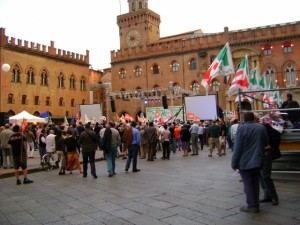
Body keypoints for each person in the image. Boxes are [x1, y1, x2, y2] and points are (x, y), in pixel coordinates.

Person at [231, 112, 269, 213]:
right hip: (258, 160)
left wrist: (234, 163)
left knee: (248, 184)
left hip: (245, 161)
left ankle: (251, 205)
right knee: (255, 183)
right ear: (253, 118)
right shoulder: (261, 127)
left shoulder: (242, 128)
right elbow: (266, 143)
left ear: (243, 119)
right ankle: (256, 203)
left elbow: (237, 147)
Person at [259, 122, 281, 206]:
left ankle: (274, 197)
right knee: (261, 176)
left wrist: (271, 146)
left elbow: (277, 134)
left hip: (265, 154)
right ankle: (267, 195)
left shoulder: (264, 126)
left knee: (265, 176)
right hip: (257, 155)